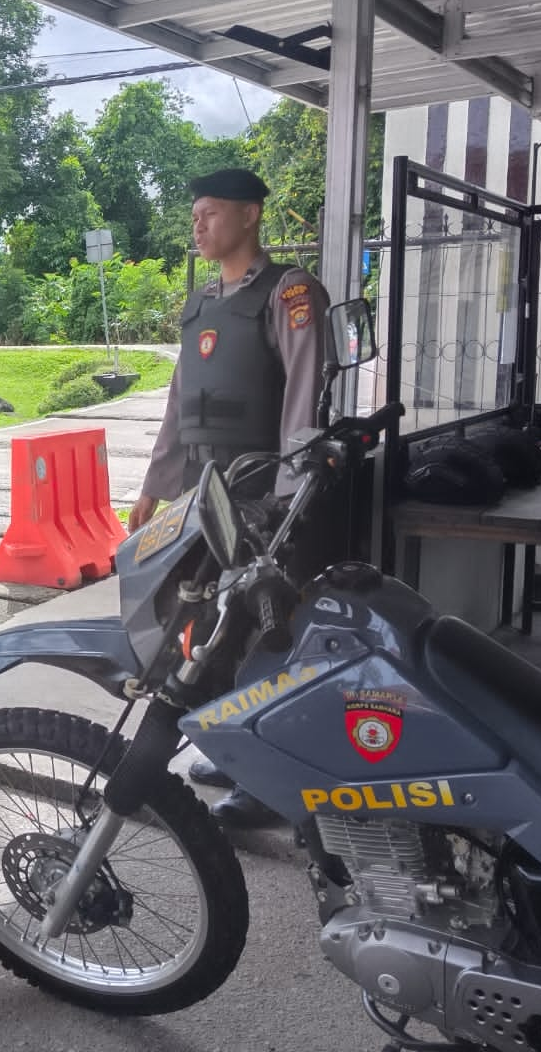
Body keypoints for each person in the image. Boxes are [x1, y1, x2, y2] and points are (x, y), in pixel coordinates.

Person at [127, 167, 329, 828]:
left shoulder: (288, 293)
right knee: (209, 628)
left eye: (209, 213)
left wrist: (288, 495)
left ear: (248, 216)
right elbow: (178, 408)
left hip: (262, 499)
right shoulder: (201, 304)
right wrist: (154, 490)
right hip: (202, 498)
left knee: (264, 637)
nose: (197, 224)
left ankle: (269, 782)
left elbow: (304, 395)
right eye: (195, 215)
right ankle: (235, 748)